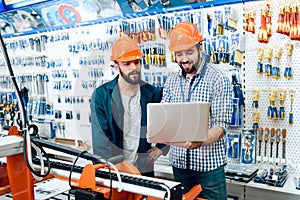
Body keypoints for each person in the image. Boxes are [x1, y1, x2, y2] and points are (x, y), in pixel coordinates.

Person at [161, 21, 233, 199]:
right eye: (179, 54)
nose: (184, 59)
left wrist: (200, 140)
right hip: (179, 165)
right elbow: (164, 118)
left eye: (189, 52)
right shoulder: (171, 81)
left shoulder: (218, 80)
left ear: (200, 47)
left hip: (209, 168)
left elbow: (221, 125)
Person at [90, 35, 168, 177]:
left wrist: (161, 148)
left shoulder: (152, 94)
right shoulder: (101, 96)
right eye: (127, 64)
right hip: (115, 172)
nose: (134, 68)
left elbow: (166, 125)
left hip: (144, 170)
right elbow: (101, 142)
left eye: (136, 62)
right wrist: (113, 173)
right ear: (116, 67)